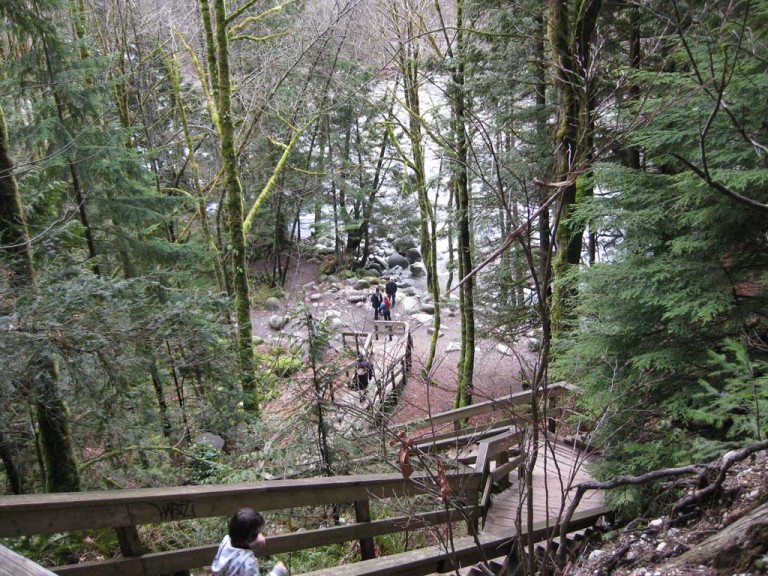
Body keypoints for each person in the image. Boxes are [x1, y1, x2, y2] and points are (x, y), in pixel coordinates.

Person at [211, 508, 287, 576]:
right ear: (250, 538)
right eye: (258, 533)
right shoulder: (248, 563)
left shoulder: (226, 541)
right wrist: (277, 573)